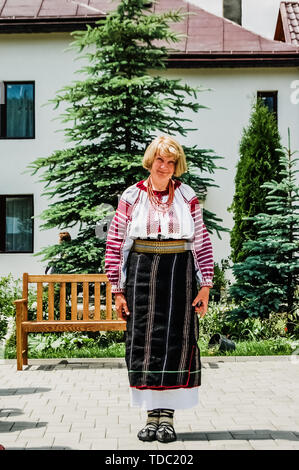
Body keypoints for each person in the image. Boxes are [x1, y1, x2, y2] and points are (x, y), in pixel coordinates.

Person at [104, 135, 214, 444]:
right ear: (150, 161)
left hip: (179, 273)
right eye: (159, 160)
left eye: (170, 162)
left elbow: (201, 242)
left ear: (177, 166)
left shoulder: (187, 195)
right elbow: (116, 243)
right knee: (145, 342)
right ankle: (150, 417)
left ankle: (167, 418)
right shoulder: (131, 195)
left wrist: (205, 285)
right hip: (141, 273)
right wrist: (118, 289)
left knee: (176, 342)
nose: (164, 166)